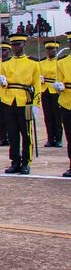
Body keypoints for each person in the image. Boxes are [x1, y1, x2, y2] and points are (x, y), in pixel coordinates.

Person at [0, 34, 41, 174]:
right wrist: (3, 83)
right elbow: (4, 84)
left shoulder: (33, 63)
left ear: (24, 45)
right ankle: (15, 161)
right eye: (14, 45)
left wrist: (36, 104)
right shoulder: (6, 64)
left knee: (26, 134)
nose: (16, 47)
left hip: (25, 101)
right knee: (13, 133)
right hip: (9, 101)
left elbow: (37, 86)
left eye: (18, 44)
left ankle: (26, 162)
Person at [40, 41, 63, 148]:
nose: (49, 51)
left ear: (56, 50)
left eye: (52, 49)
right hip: (45, 90)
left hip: (56, 91)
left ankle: (58, 139)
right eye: (48, 49)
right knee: (48, 116)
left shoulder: (59, 62)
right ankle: (50, 138)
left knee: (57, 116)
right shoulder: (41, 62)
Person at [54, 31, 71, 177]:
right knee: (70, 137)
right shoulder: (62, 62)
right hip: (67, 101)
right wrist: (59, 87)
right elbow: (59, 82)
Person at [0, 43, 12, 147]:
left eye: (5, 50)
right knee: (1, 116)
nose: (3, 53)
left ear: (9, 51)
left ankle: (10, 137)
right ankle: (3, 137)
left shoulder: (12, 62)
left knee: (10, 117)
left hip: (10, 93)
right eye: (1, 50)